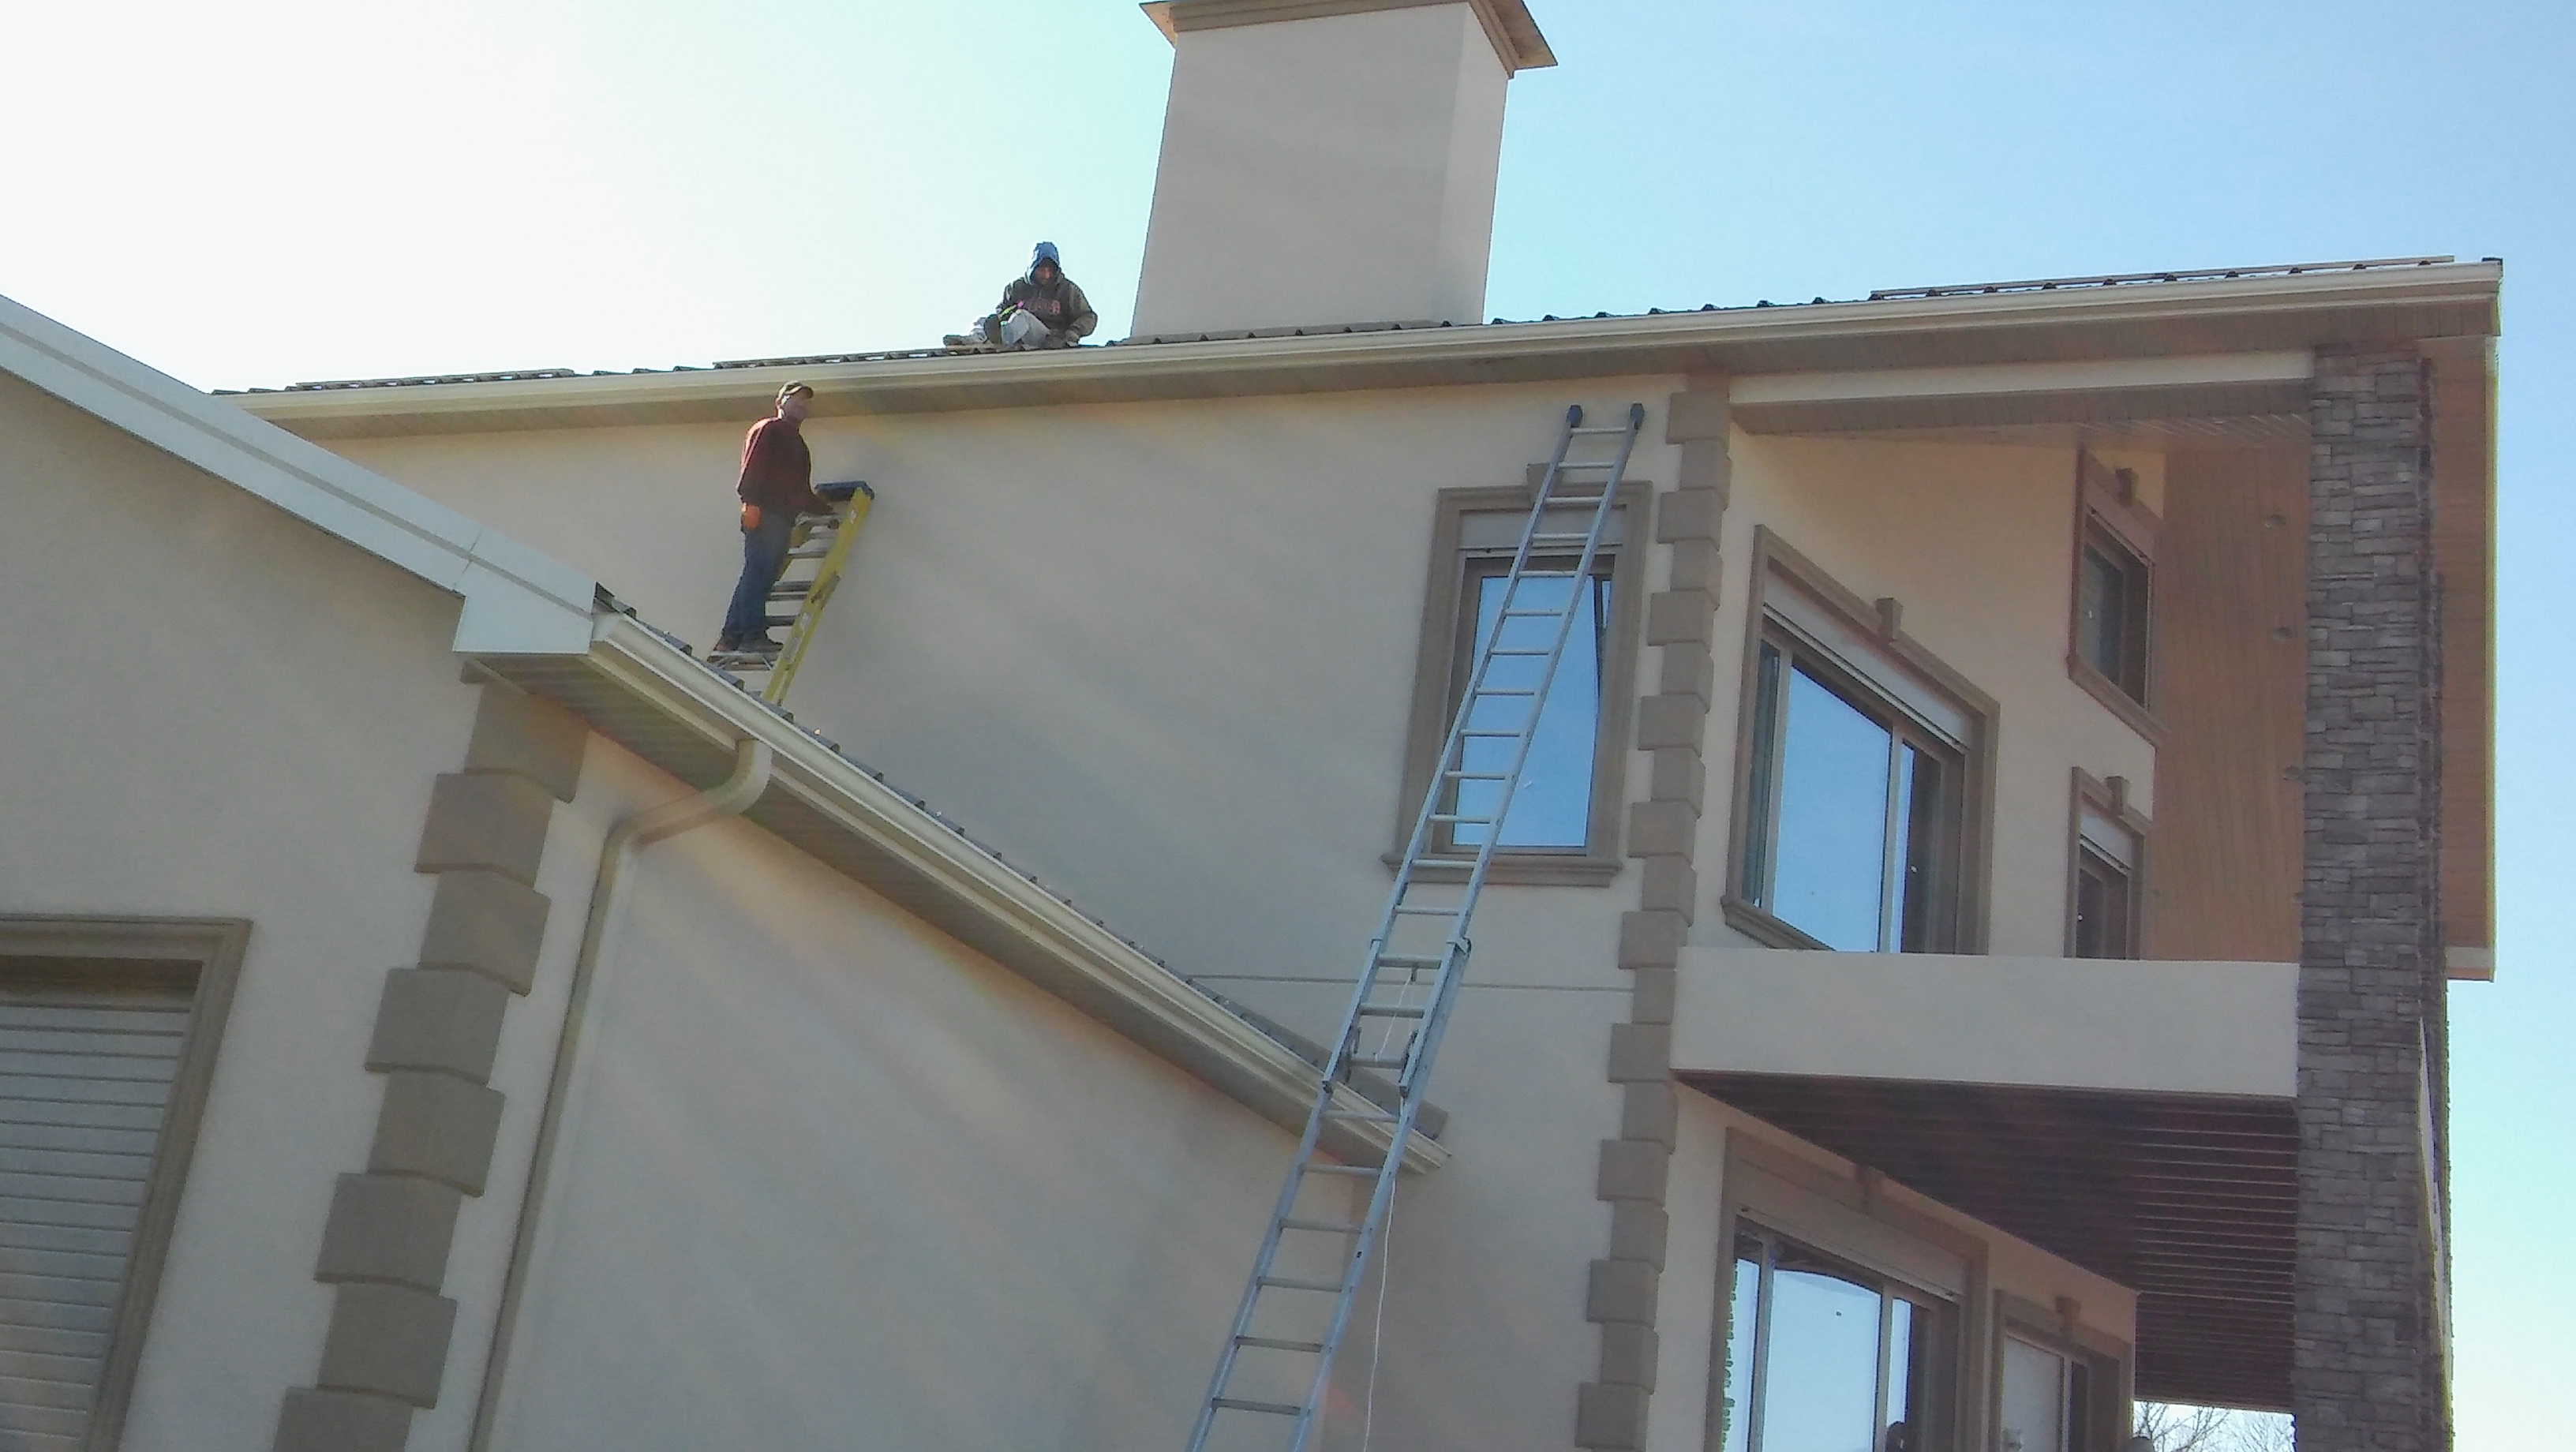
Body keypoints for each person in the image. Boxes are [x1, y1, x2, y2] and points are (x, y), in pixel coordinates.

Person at [716, 383, 829, 656]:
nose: (802, 404)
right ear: (780, 403)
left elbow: (798, 488)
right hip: (765, 513)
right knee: (759, 574)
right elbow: (753, 467)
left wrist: (823, 510)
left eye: (806, 401)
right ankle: (753, 636)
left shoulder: (795, 441)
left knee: (759, 575)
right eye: (796, 399)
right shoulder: (770, 429)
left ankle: (731, 636)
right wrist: (751, 503)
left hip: (781, 517)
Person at [981, 241, 1097, 349]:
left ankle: (1002, 340)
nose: (1046, 275)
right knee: (981, 321)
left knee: (1023, 317)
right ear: (1033, 268)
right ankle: (970, 344)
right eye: (1042, 270)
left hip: (1051, 340)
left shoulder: (1067, 290)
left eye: (1050, 271)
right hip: (1020, 339)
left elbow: (1088, 316)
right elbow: (1000, 312)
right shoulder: (1017, 288)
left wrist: (1072, 333)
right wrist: (1002, 319)